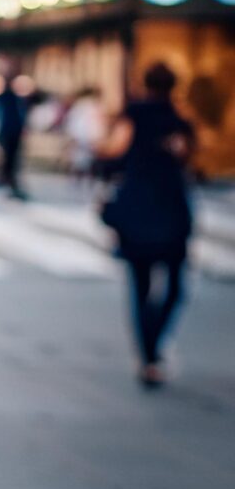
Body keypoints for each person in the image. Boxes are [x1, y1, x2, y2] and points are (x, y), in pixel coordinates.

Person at [96, 62, 195, 388]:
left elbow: (111, 154)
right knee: (175, 287)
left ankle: (148, 357)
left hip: (136, 209)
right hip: (171, 210)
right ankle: (155, 347)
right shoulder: (180, 123)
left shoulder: (132, 115)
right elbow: (187, 159)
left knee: (140, 287)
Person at [0, 65, 30, 199]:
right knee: (7, 159)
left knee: (11, 160)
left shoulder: (13, 99)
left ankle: (8, 182)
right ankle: (5, 181)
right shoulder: (8, 98)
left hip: (10, 132)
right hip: (9, 132)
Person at [63, 87, 105, 183]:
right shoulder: (88, 107)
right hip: (87, 137)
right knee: (82, 161)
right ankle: (80, 180)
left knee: (84, 161)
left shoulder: (87, 106)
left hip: (85, 137)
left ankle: (80, 180)